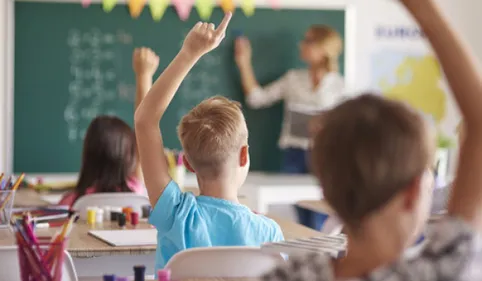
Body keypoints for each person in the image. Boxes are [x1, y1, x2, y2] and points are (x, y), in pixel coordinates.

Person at [262, 0, 482, 280]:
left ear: (326, 191)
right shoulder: (439, 272)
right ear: (414, 192)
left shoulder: (284, 277)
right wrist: (425, 10)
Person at [134, 13, 283, 271]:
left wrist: (189, 53)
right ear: (244, 155)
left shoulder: (176, 215)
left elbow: (145, 120)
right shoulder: (269, 234)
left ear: (188, 163)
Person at [235, 25, 345, 174]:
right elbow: (256, 99)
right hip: (294, 156)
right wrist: (243, 63)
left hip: (326, 154)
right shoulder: (293, 79)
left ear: (323, 48)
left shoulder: (340, 86)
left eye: (309, 41)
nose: (301, 45)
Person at [59, 48, 159, 207]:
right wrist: (144, 76)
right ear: (130, 157)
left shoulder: (71, 203)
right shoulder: (137, 192)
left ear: (87, 155)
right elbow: (143, 132)